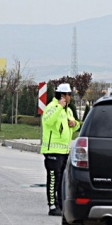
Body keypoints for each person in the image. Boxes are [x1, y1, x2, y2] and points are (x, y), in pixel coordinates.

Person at [41, 83, 81, 216]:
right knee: (53, 178)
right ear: (63, 96)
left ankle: (61, 204)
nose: (71, 97)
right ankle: (52, 206)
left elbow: (75, 126)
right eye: (69, 94)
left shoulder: (68, 110)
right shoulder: (52, 107)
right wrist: (59, 106)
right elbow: (47, 121)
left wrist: (74, 124)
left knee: (62, 179)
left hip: (64, 151)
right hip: (52, 150)